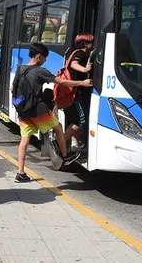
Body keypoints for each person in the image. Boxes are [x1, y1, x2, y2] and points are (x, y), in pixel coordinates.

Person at [13, 43, 91, 183]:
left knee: (24, 140)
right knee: (58, 128)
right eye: (45, 58)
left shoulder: (20, 69)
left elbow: (13, 89)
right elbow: (62, 82)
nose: (45, 60)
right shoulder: (40, 71)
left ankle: (20, 173)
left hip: (23, 111)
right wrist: (82, 83)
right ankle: (65, 157)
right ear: (38, 56)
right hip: (38, 111)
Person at [63, 33, 95, 150]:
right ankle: (60, 142)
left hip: (80, 91)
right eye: (91, 42)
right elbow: (74, 64)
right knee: (82, 120)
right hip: (77, 92)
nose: (93, 44)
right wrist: (85, 69)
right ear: (84, 43)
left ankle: (76, 143)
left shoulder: (86, 53)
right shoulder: (79, 53)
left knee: (78, 119)